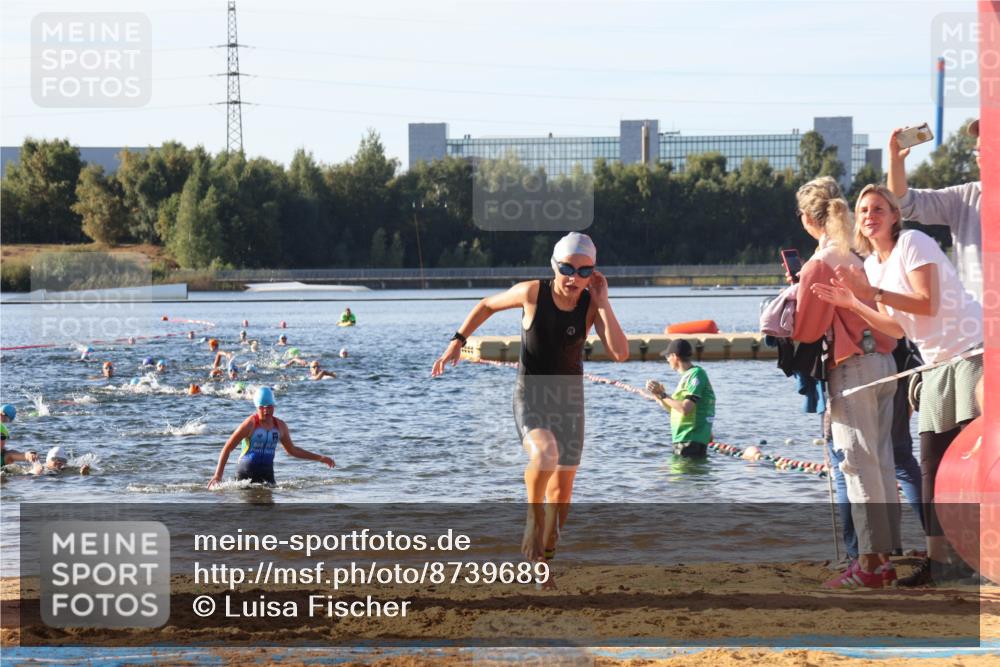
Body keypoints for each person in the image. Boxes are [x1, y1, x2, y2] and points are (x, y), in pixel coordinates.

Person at [812, 183, 983, 587]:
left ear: (893, 216)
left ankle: (978, 557)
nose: (870, 215)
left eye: (878, 208)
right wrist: (853, 304)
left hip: (974, 352)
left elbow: (928, 303)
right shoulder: (871, 266)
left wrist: (871, 293)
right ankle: (943, 564)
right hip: (936, 363)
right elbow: (896, 328)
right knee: (932, 467)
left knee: (973, 462)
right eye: (863, 209)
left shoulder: (914, 243)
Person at [432, 232, 628, 574]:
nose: (574, 278)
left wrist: (603, 302)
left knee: (562, 500)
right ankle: (531, 515)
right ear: (555, 265)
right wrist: (458, 341)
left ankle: (543, 566)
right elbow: (486, 305)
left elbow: (621, 353)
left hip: (569, 402)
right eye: (568, 268)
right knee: (545, 454)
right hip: (532, 395)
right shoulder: (533, 292)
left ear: (593, 274)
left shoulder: (590, 303)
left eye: (585, 272)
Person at [789, 176, 901, 589]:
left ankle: (870, 566)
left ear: (806, 218)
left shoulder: (819, 263)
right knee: (881, 463)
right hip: (885, 363)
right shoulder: (857, 256)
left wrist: (792, 297)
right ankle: (885, 559)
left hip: (852, 369)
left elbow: (806, 332)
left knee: (857, 466)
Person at [887, 119, 982, 304]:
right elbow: (902, 203)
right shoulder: (964, 198)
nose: (980, 155)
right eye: (978, 149)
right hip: (977, 320)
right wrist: (895, 162)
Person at [207, 387, 335, 487]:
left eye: (269, 407)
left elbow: (292, 450)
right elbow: (227, 448)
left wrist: (320, 458)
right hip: (245, 475)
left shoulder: (280, 426)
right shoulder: (250, 424)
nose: (266, 411)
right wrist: (218, 475)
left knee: (270, 515)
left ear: (273, 406)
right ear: (257, 407)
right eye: (262, 407)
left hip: (267, 475)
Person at [645, 339, 716, 458]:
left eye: (667, 356)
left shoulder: (696, 374)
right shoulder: (687, 377)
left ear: (674, 356)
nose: (667, 360)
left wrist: (663, 395)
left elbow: (685, 409)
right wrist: (658, 395)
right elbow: (674, 409)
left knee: (678, 476)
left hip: (689, 440)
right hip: (684, 440)